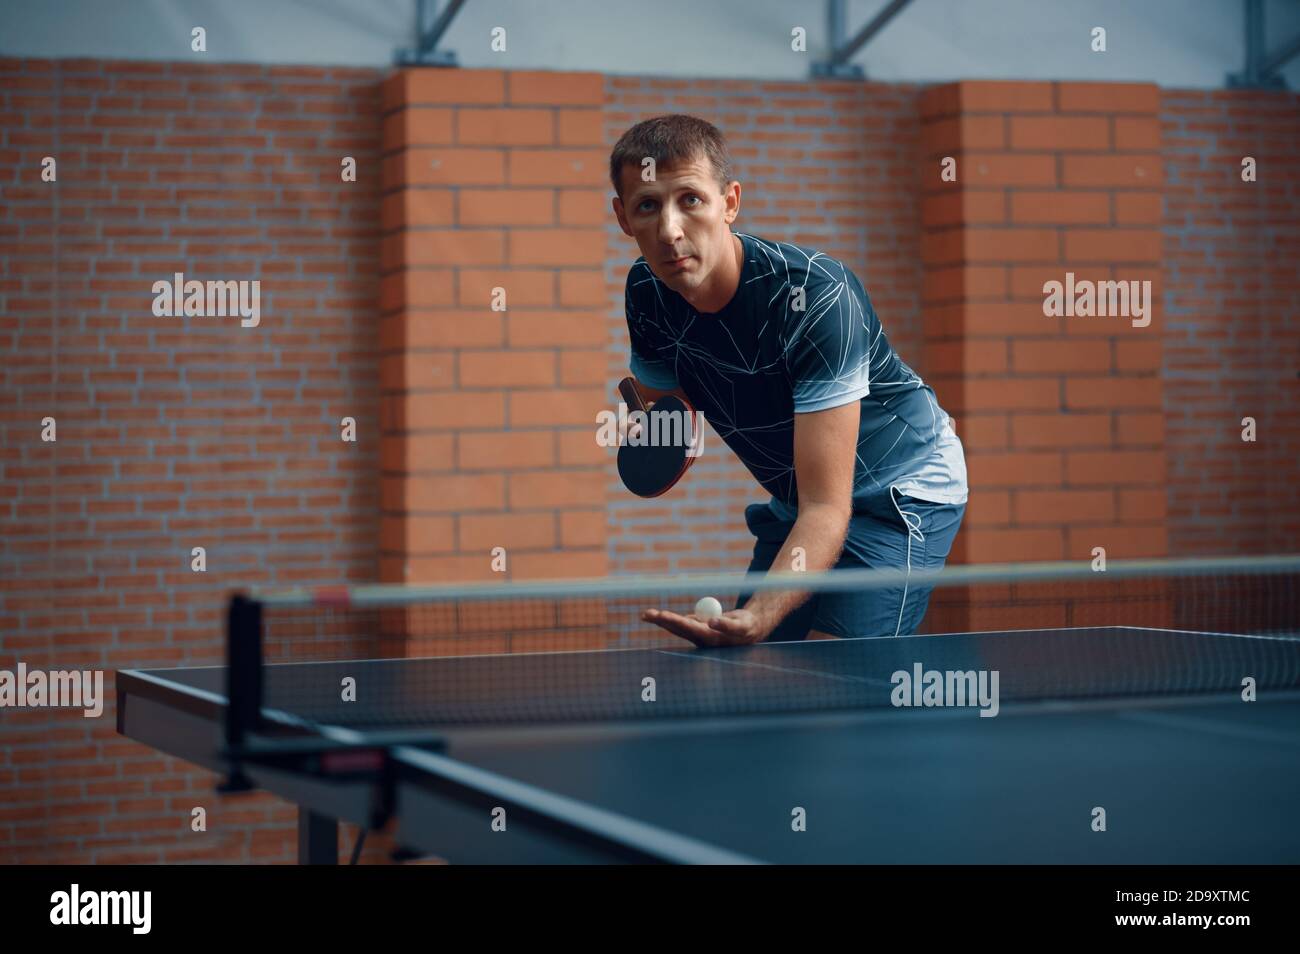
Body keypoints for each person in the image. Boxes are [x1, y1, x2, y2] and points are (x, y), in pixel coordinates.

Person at [610, 114, 967, 647]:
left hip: (901, 487)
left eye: (690, 199)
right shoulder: (646, 294)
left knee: (841, 674)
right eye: (647, 205)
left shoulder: (817, 299)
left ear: (729, 202)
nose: (669, 230)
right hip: (803, 496)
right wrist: (649, 427)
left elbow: (830, 507)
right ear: (622, 218)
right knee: (760, 667)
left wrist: (760, 615)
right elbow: (668, 416)